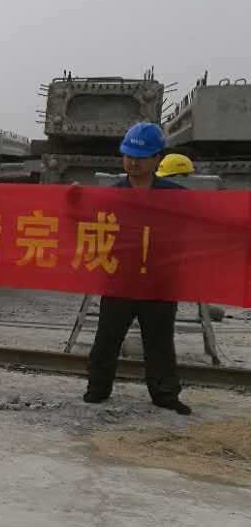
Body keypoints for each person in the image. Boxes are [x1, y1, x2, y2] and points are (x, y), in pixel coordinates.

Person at [84, 123, 190, 414]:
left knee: (159, 341)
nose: (133, 162)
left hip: (159, 280)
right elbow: (84, 223)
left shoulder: (176, 196)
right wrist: (74, 199)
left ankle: (164, 394)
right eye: (129, 156)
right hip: (120, 278)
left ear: (157, 158)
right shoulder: (112, 195)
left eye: (141, 157)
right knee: (107, 337)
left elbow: (204, 224)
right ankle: (97, 389)